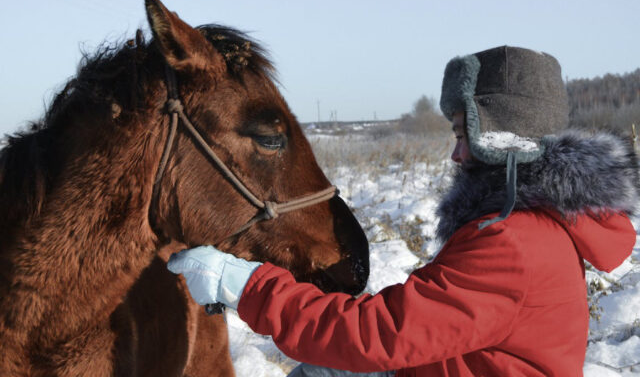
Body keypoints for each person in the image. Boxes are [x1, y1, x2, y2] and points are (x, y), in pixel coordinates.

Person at [167, 46, 639, 376]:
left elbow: (378, 335)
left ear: (500, 141)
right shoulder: (537, 225)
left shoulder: (513, 242)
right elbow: (422, 322)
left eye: (461, 136)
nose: (455, 155)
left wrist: (246, 286)